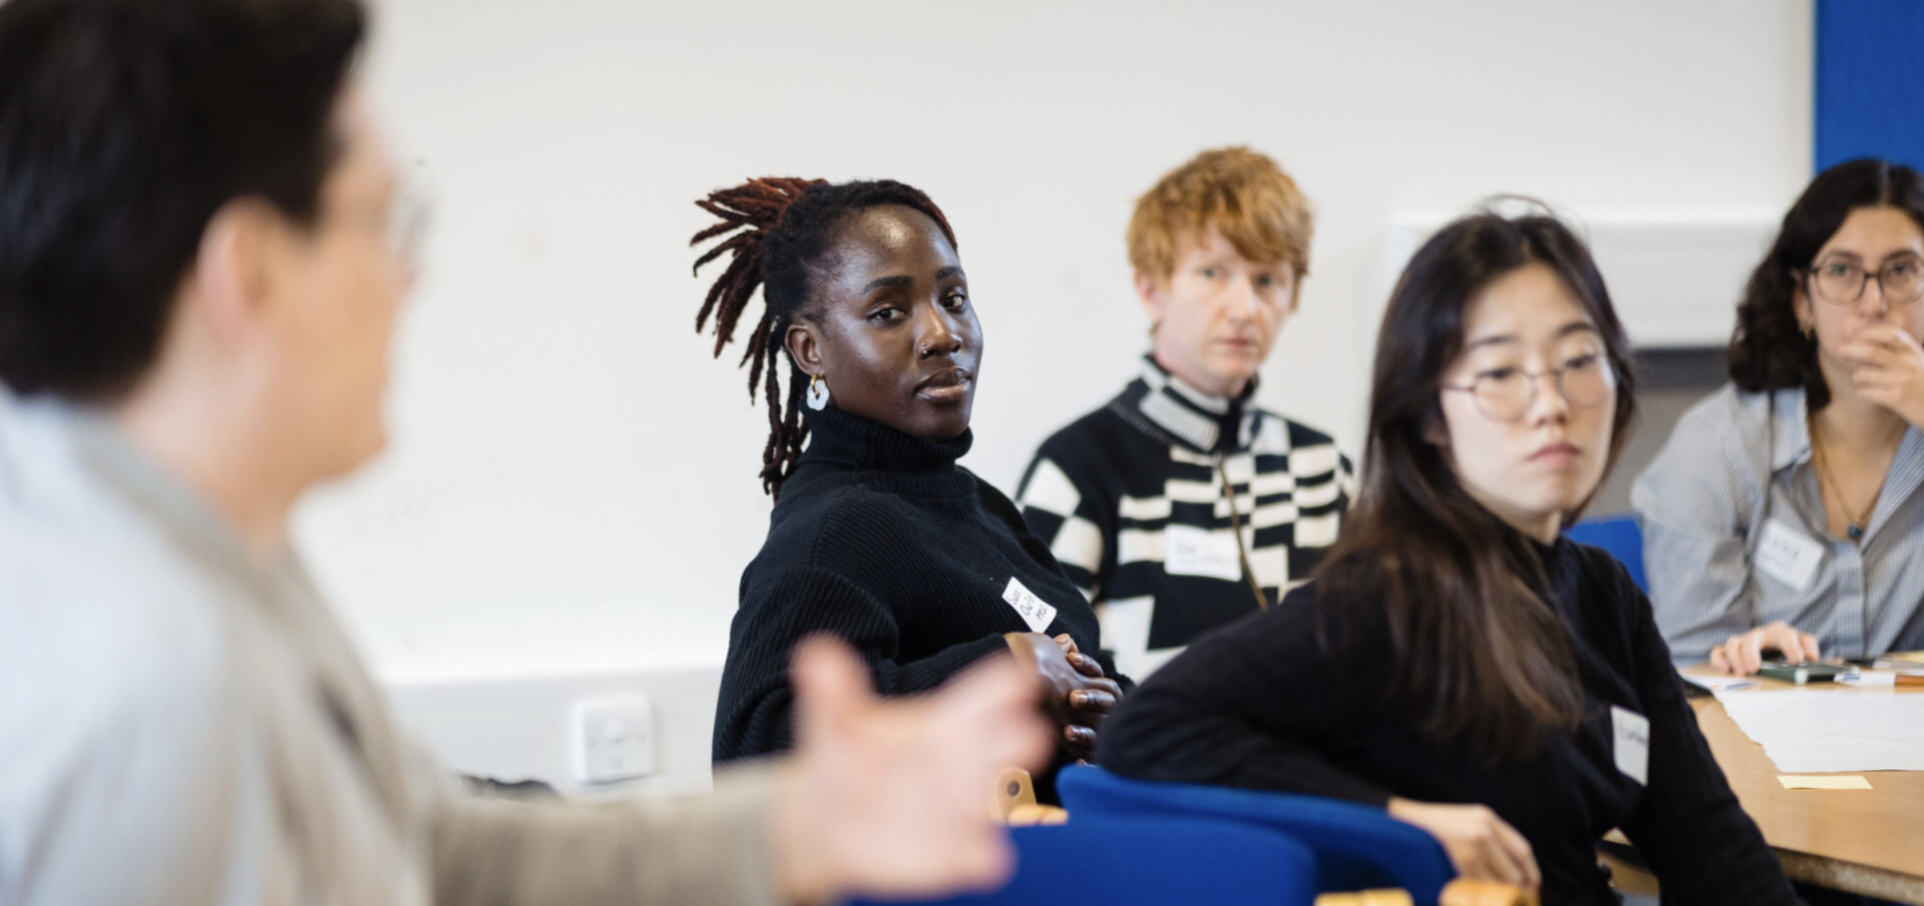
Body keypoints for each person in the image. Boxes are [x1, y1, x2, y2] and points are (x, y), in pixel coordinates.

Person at [0, 1, 1050, 903]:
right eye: (386, 218)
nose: (410, 277)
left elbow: (436, 850)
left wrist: (793, 825)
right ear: (254, 273)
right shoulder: (148, 690)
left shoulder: (208, 553)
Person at [1099, 206, 1799, 905]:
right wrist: (1402, 823)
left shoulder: (1604, 593)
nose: (1550, 402)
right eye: (1499, 372)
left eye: (1579, 361)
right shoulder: (1389, 601)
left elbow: (1708, 842)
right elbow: (1144, 731)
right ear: (1429, 415)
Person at [693, 178, 1126, 777]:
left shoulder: (978, 505)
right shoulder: (838, 528)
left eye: (952, 299)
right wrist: (1001, 667)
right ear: (809, 350)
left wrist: (1114, 713)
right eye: (889, 313)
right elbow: (756, 749)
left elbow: (1071, 665)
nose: (944, 335)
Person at [1633, 159, 1924, 673]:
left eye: (1901, 271)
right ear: (1801, 301)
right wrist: (1743, 656)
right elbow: (1691, 682)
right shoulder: (1716, 446)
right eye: (1841, 271)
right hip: (1764, 742)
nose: (1874, 304)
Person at [1016, 147, 1355, 679]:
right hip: (1142, 761)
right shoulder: (1077, 467)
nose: (1245, 308)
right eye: (1213, 273)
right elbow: (1041, 670)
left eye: (1268, 280)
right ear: (1152, 291)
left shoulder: (1323, 467)